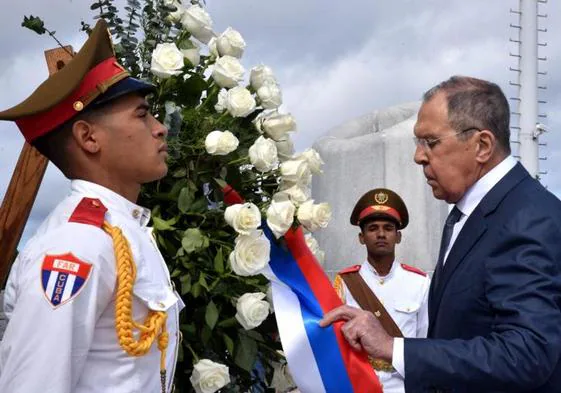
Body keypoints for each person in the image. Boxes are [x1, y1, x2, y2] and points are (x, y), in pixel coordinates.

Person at [321, 76, 561, 393]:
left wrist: (394, 348)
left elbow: (526, 353)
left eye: (430, 142)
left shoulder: (528, 217)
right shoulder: (467, 214)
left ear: (482, 146)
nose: (418, 156)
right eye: (417, 143)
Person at [0, 20, 184, 393]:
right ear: (88, 137)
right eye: (142, 113)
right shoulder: (77, 246)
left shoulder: (118, 230)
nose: (159, 127)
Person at [333, 188, 429, 393]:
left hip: (405, 386)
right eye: (373, 228)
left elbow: (425, 340)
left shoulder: (419, 282)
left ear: (398, 236)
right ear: (361, 237)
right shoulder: (345, 282)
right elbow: (337, 343)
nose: (381, 234)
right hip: (357, 385)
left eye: (388, 228)